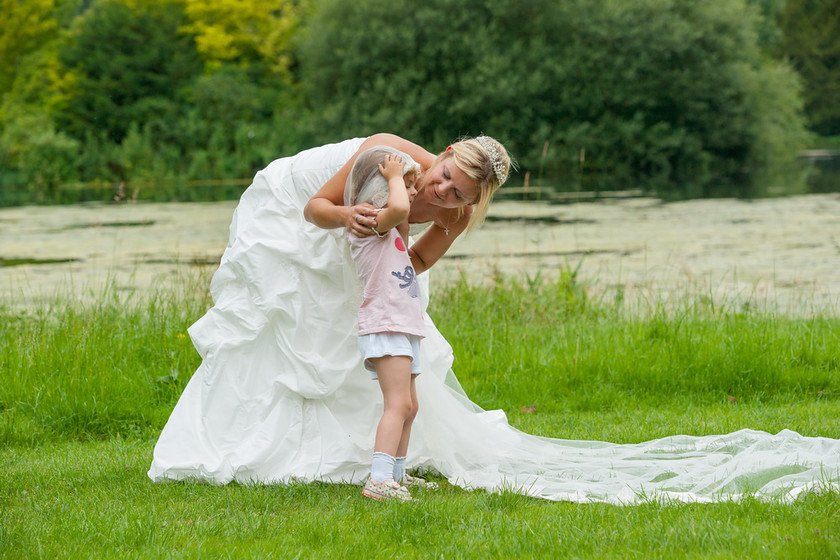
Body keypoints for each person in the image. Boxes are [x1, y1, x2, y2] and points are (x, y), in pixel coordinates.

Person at [149, 133, 840, 504]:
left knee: (352, 342)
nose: (446, 190)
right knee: (281, 318)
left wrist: (381, 267)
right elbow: (316, 211)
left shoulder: (449, 219)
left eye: (462, 192)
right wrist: (354, 218)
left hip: (369, 255)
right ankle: (255, 445)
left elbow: (410, 265)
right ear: (441, 154)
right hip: (305, 200)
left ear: (473, 199)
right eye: (447, 175)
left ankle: (360, 461)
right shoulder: (387, 159)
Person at [343, 148, 427, 501]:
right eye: (405, 186)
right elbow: (400, 209)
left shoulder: (391, 229)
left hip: (403, 323)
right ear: (377, 190)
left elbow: (404, 217)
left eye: (411, 186)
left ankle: (396, 473)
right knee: (397, 404)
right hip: (386, 322)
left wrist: (403, 181)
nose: (411, 193)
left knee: (410, 405)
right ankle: (378, 480)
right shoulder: (370, 223)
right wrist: (395, 177)